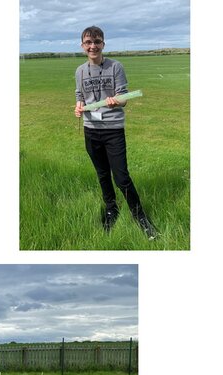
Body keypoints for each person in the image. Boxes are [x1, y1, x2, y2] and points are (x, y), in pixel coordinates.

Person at [74, 26, 157, 239]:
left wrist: (116, 101)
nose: (93, 46)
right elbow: (80, 96)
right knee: (102, 175)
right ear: (83, 45)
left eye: (97, 42)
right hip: (91, 130)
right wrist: (78, 105)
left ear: (103, 44)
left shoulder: (115, 67)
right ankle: (112, 209)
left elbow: (124, 98)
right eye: (88, 43)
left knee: (121, 177)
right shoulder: (80, 71)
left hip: (112, 130)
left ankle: (140, 217)